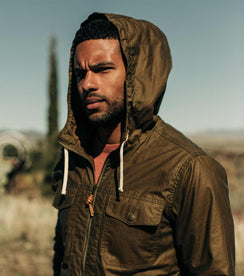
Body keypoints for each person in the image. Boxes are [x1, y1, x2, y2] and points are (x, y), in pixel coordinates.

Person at [52, 12, 235, 276]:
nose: (87, 84)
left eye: (103, 69)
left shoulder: (190, 169)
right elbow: (63, 257)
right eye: (80, 73)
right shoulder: (71, 158)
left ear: (137, 75)